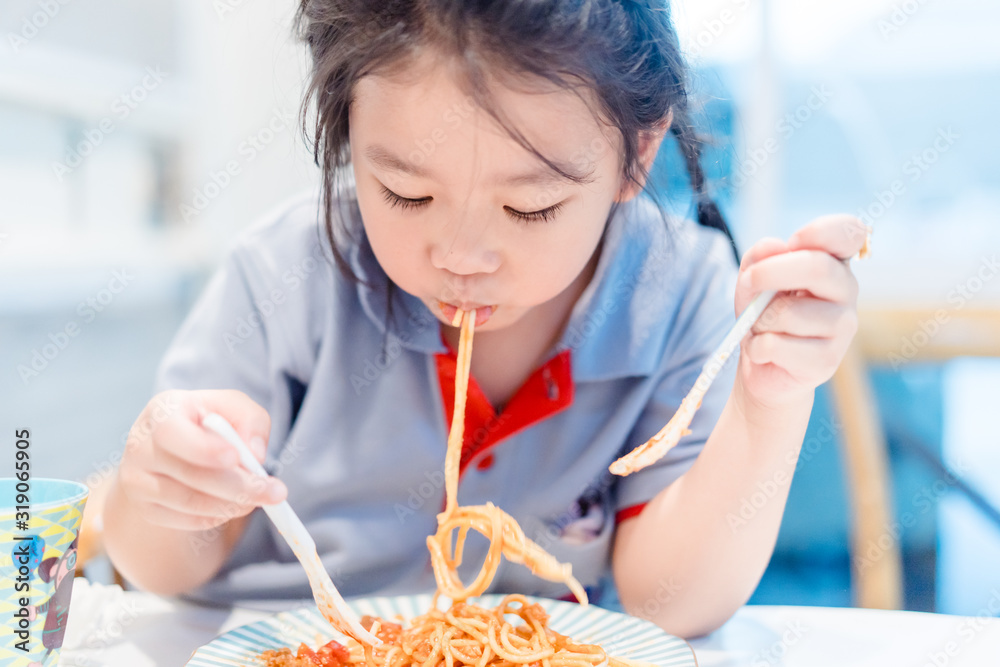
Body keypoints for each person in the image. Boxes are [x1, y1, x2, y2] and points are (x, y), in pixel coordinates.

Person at [102, 0, 866, 638]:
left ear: (638, 154)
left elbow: (668, 604)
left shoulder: (679, 294)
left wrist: (769, 404)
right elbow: (161, 565)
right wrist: (164, 487)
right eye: (406, 193)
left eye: (529, 206)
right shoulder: (286, 275)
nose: (463, 256)